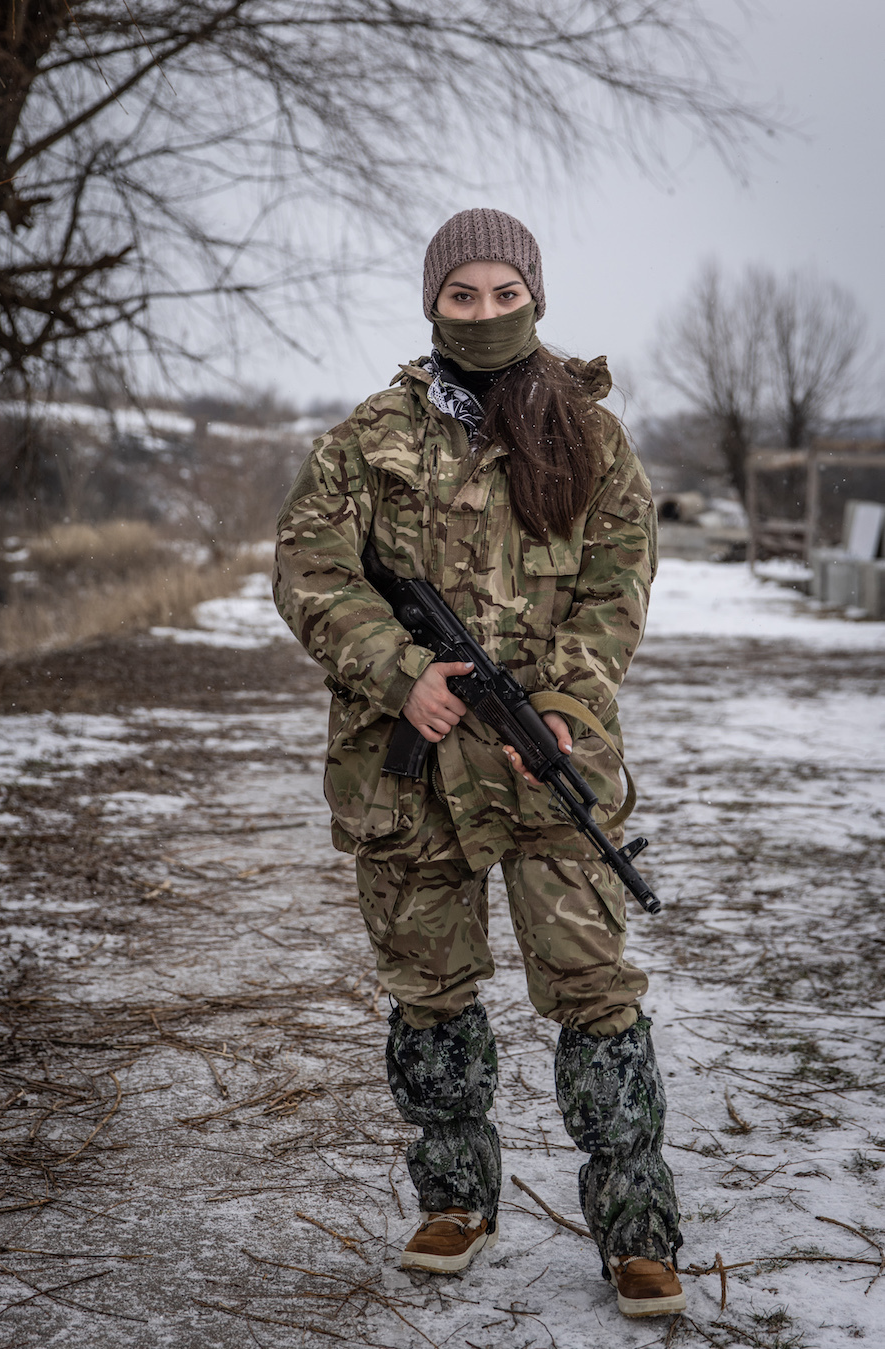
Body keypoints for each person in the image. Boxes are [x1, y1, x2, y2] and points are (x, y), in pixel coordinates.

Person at [273, 208, 684, 1319]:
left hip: (545, 757)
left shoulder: (590, 436)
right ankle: (455, 1199)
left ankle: (638, 1231)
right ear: (434, 303)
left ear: (536, 298)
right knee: (431, 993)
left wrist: (560, 703)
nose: (488, 313)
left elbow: (618, 587)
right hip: (410, 773)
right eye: (466, 295)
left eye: (507, 294)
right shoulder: (369, 438)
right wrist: (398, 668)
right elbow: (308, 571)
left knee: (595, 992)